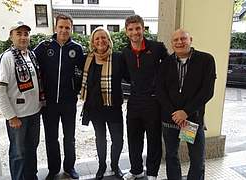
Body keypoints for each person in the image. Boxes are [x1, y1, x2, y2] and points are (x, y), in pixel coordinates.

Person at [157, 29, 216, 180]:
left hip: (191, 120)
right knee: (171, 155)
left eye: (183, 38)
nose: (179, 42)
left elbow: (207, 91)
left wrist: (186, 112)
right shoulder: (165, 63)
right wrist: (175, 114)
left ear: (191, 40)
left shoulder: (206, 60)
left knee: (196, 158)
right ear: (172, 43)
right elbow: (160, 92)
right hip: (171, 120)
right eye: (175, 40)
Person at [34, 13, 84, 180]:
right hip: (48, 104)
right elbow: (31, 66)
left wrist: (76, 91)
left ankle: (70, 167)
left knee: (69, 137)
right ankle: (53, 169)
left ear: (71, 29)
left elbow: (83, 73)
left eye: (67, 27)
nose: (64, 30)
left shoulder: (77, 49)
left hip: (69, 102)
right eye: (61, 27)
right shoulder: (44, 46)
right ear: (55, 27)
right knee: (51, 138)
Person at [0, 21, 44, 180]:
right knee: (18, 153)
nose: (23, 37)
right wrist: (11, 117)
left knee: (31, 149)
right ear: (11, 36)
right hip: (18, 117)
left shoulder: (31, 55)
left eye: (26, 34)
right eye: (19, 33)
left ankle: (31, 177)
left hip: (34, 113)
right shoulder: (5, 58)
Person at [122, 15, 168, 180]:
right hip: (134, 102)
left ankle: (152, 172)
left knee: (153, 139)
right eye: (131, 29)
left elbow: (168, 69)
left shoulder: (157, 48)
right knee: (134, 138)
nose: (135, 32)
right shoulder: (125, 52)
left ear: (143, 28)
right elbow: (126, 76)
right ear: (126, 32)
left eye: (138, 28)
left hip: (153, 102)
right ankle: (136, 170)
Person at [80, 27, 126, 180]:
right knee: (100, 138)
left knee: (118, 139)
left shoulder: (118, 58)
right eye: (97, 38)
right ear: (93, 42)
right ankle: (101, 166)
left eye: (103, 37)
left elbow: (131, 77)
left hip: (113, 107)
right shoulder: (87, 59)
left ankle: (114, 165)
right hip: (95, 108)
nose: (100, 41)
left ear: (108, 40)